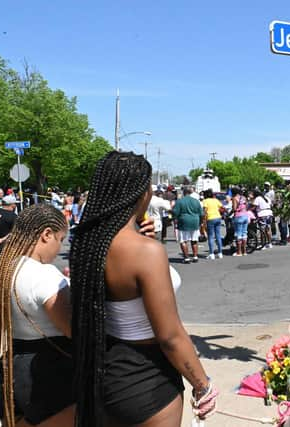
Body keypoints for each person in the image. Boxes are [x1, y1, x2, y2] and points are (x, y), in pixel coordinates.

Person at [69, 151, 217, 427]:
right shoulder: (145, 252)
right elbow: (170, 337)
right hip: (148, 380)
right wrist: (202, 384)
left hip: (105, 369)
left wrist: (139, 235)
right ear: (142, 193)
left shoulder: (88, 244)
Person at [0, 204, 73, 427]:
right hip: (48, 373)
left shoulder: (3, 267)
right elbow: (73, 329)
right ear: (47, 234)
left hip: (11, 368)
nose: (59, 248)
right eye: (60, 239)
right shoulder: (43, 275)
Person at [172, 187, 203, 263]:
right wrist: (200, 222)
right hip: (195, 221)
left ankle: (186, 258)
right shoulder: (196, 201)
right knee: (194, 240)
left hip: (183, 222)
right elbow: (201, 214)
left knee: (183, 241)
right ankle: (195, 256)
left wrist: (174, 218)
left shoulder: (180, 201)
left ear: (183, 192)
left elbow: (175, 213)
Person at [202, 189, 224, 259]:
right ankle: (220, 253)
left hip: (210, 218)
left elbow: (205, 211)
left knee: (210, 236)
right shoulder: (216, 200)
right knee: (218, 235)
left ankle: (212, 254)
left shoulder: (205, 201)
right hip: (218, 217)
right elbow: (222, 208)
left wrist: (204, 220)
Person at [231, 187, 250, 256]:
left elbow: (234, 208)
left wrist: (230, 213)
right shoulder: (243, 198)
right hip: (245, 216)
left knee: (238, 234)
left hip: (238, 216)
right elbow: (247, 206)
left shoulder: (234, 198)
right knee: (244, 233)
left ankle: (239, 252)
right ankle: (244, 251)